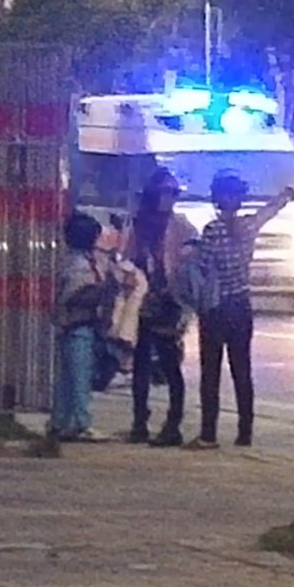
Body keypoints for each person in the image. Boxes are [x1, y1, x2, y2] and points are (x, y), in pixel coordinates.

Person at [186, 169, 294, 448]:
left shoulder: (212, 230)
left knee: (211, 372)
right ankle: (245, 432)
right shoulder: (248, 227)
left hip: (215, 308)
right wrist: (288, 192)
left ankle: (208, 433)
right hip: (241, 305)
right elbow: (270, 210)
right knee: (242, 370)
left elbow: (203, 266)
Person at [121, 168, 193, 446]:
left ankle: (173, 424)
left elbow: (191, 260)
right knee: (140, 365)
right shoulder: (138, 225)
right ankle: (139, 421)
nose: (168, 199)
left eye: (172, 193)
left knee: (170, 366)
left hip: (169, 302)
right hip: (142, 301)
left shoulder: (181, 226)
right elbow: (127, 258)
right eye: (163, 193)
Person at [51, 209, 110, 442]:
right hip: (79, 325)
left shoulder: (70, 261)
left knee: (67, 378)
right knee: (79, 378)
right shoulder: (81, 265)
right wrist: (102, 292)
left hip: (68, 326)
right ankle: (81, 423)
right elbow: (76, 295)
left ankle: (60, 422)